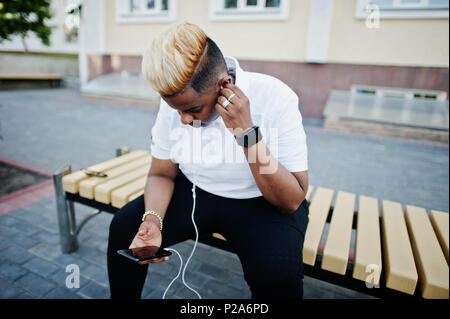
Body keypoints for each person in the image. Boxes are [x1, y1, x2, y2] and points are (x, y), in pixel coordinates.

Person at [107, 22, 310, 299]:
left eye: (192, 109)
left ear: (225, 85)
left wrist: (246, 133)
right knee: (123, 228)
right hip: (195, 192)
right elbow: (161, 174)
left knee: (279, 279)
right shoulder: (179, 101)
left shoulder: (276, 97)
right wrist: (152, 221)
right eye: (176, 110)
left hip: (262, 203)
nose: (184, 120)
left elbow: (291, 200)